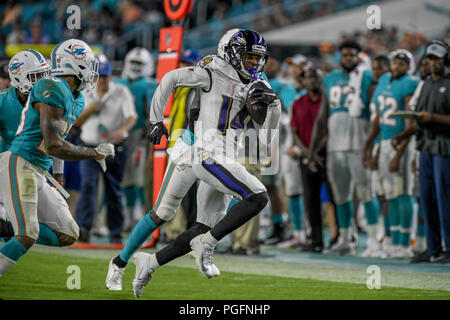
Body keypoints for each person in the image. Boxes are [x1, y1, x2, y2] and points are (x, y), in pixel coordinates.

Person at [105, 29, 280, 297]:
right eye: (248, 57)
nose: (254, 64)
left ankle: (151, 262)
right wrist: (155, 120)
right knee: (163, 213)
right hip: (193, 147)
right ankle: (119, 263)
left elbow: (269, 120)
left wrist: (269, 115)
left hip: (224, 152)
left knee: (204, 225)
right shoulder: (213, 69)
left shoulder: (260, 81)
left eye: (258, 59)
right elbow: (172, 78)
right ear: (231, 54)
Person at [0, 39, 114, 277]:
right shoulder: (50, 87)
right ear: (76, 65)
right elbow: (53, 144)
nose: (93, 72)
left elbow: (57, 141)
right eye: (89, 65)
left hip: (39, 168)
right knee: (27, 233)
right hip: (19, 162)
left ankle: (8, 223)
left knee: (68, 233)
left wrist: (58, 178)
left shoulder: (77, 97)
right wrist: (93, 153)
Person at [308, 41, 379, 256]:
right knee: (340, 196)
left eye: (352, 55)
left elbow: (376, 112)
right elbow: (322, 118)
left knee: (367, 193)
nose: (348, 58)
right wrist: (312, 151)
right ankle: (346, 239)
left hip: (360, 143)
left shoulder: (367, 77)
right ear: (340, 57)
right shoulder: (329, 79)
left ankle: (374, 241)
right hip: (335, 147)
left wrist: (373, 145)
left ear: (358, 57)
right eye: (345, 55)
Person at [392, 40, 450, 263]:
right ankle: (433, 248)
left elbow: (431, 117)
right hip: (425, 146)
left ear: (445, 60)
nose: (433, 62)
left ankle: (448, 248)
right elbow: (419, 118)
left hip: (444, 146)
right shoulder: (425, 84)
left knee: (444, 198)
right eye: (430, 58)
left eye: (437, 58)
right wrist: (402, 135)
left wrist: (432, 118)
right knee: (426, 198)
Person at [75, 58, 137, 244]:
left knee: (114, 189)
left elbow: (132, 116)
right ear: (94, 77)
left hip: (112, 148)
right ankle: (84, 228)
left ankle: (115, 231)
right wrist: (90, 110)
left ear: (111, 76)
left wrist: (123, 130)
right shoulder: (85, 91)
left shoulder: (121, 91)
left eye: (105, 76)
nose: (102, 80)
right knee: (87, 186)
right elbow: (76, 122)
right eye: (99, 76)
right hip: (88, 147)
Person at [364, 49, 418, 258]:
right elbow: (378, 118)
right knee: (391, 195)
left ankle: (405, 243)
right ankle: (393, 241)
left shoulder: (410, 83)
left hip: (401, 142)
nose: (396, 67)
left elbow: (410, 121)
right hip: (385, 142)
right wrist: (371, 147)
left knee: (403, 193)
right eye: (395, 63)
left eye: (402, 64)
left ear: (409, 67)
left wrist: (399, 152)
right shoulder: (385, 79)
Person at [290, 65, 335, 252]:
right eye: (309, 77)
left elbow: (329, 129)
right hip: (307, 157)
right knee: (310, 200)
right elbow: (294, 131)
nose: (313, 81)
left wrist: (314, 152)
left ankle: (337, 238)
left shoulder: (329, 102)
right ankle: (315, 240)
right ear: (304, 81)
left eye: (316, 77)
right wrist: (308, 152)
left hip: (327, 155)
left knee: (334, 199)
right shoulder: (298, 103)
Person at [114, 48, 158, 232]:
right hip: (117, 135)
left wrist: (150, 147)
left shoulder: (150, 85)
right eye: (133, 62)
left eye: (139, 64)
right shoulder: (118, 82)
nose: (134, 67)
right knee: (122, 179)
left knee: (138, 178)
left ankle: (139, 216)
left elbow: (151, 117)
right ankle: (127, 216)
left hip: (139, 136)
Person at [361, 54, 391, 257]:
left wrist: (376, 147)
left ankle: (394, 238)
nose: (377, 72)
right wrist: (369, 147)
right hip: (378, 144)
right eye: (375, 68)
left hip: (389, 143)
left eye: (381, 68)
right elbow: (374, 123)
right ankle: (383, 237)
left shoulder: (389, 86)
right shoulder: (374, 88)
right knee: (379, 193)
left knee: (391, 194)